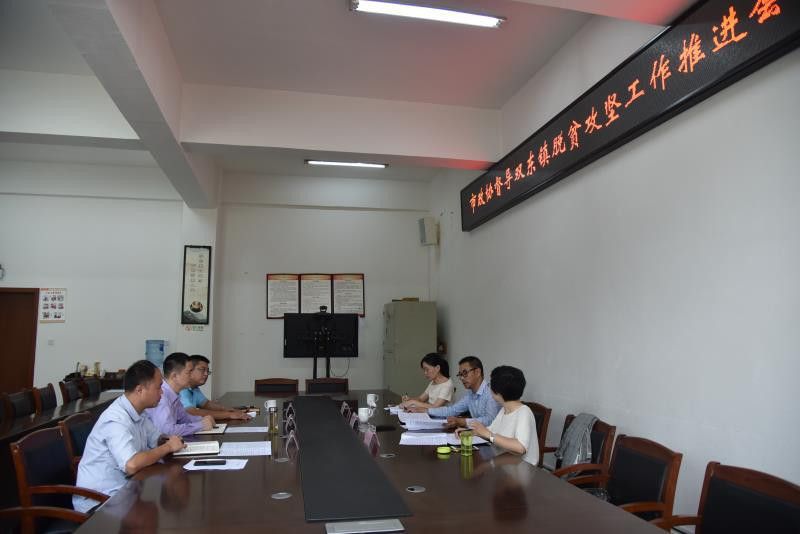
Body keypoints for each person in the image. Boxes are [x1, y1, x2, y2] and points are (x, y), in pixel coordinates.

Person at [73, 360, 186, 513]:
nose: (162, 392)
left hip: (126, 491)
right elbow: (131, 465)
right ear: (140, 390)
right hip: (99, 501)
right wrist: (168, 447)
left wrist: (169, 441)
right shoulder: (116, 419)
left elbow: (156, 438)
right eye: (158, 387)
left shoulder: (139, 412)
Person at [458, 365, 539, 466]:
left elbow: (520, 447)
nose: (489, 387)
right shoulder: (504, 410)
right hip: (503, 463)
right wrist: (469, 433)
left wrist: (488, 434)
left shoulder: (524, 412)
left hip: (522, 469)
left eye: (490, 385)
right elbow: (489, 432)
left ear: (498, 392)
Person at [409, 355, 501, 427]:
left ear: (477, 372)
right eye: (460, 375)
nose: (461, 378)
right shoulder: (470, 394)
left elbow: (490, 420)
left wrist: (463, 422)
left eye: (465, 373)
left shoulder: (491, 392)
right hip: (479, 434)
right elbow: (452, 410)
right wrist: (427, 411)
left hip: (492, 440)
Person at [145, 352, 214, 436]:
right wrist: (200, 425)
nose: (192, 376)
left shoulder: (174, 394)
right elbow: (167, 431)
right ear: (174, 376)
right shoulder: (161, 397)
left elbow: (183, 418)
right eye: (189, 372)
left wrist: (202, 419)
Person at [180, 354, 250, 420]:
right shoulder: (181, 388)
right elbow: (192, 412)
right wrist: (229, 415)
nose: (206, 374)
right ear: (189, 370)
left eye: (207, 371)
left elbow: (206, 404)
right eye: (202, 369)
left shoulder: (194, 388)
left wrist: (230, 410)